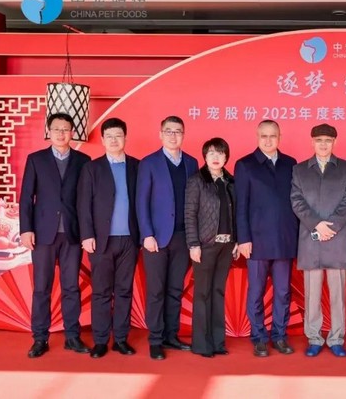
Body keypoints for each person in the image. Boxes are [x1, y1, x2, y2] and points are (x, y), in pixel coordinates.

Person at [19, 112, 91, 358]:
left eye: (65, 129)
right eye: (57, 129)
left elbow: (86, 200)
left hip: (72, 233)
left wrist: (87, 232)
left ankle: (72, 336)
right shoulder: (36, 159)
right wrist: (26, 229)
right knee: (42, 288)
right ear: (49, 132)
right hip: (43, 234)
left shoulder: (83, 161)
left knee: (71, 287)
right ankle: (40, 337)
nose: (61, 133)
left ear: (72, 132)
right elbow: (26, 197)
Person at [290, 124, 346, 358]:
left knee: (338, 295)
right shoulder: (299, 170)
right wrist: (316, 224)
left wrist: (331, 227)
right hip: (311, 238)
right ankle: (314, 338)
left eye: (328, 140)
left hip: (337, 239)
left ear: (335, 142)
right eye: (319, 140)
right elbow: (297, 201)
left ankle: (336, 338)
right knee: (312, 294)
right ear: (312, 142)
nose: (324, 144)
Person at [136, 115, 198, 360]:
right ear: (160, 134)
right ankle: (155, 339)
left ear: (184, 134)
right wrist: (147, 234)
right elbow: (141, 202)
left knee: (175, 288)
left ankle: (171, 335)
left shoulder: (191, 163)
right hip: (156, 238)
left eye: (178, 131)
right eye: (169, 131)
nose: (173, 136)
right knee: (156, 290)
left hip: (183, 237)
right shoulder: (149, 163)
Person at [235, 120, 298, 357]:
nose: (268, 140)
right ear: (257, 136)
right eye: (264, 136)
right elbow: (241, 206)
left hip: (284, 238)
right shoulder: (245, 165)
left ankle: (280, 336)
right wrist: (243, 239)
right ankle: (259, 337)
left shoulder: (290, 164)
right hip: (256, 241)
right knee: (256, 292)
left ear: (279, 137)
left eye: (273, 136)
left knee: (283, 292)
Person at [77, 118, 140, 358]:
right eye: (110, 136)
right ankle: (101, 340)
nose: (114, 140)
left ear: (126, 138)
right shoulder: (92, 168)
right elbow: (83, 205)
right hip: (101, 241)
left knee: (124, 290)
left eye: (118, 135)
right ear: (103, 140)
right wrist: (87, 235)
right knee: (102, 291)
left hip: (130, 239)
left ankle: (121, 339)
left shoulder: (137, 166)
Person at [185, 138, 239, 358]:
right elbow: (189, 214)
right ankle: (201, 344)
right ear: (205, 156)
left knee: (218, 292)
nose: (216, 157)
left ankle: (218, 342)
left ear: (226, 157)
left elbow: (236, 213)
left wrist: (237, 240)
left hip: (227, 246)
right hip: (205, 245)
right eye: (211, 153)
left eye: (220, 153)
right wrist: (193, 244)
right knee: (203, 293)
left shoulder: (231, 181)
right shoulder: (196, 181)